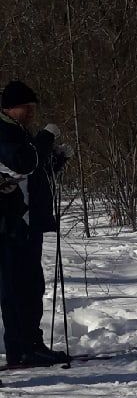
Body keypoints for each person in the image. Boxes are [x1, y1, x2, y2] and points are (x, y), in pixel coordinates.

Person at [0, 79, 72, 368]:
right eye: (26, 108)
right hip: (10, 224)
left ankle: (31, 344)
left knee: (31, 285)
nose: (31, 112)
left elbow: (32, 171)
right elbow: (22, 162)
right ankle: (21, 348)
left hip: (27, 222)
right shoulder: (3, 131)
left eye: (33, 108)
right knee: (16, 288)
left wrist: (54, 161)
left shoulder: (17, 130)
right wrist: (43, 140)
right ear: (10, 107)